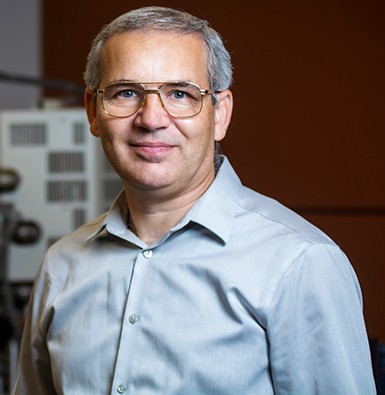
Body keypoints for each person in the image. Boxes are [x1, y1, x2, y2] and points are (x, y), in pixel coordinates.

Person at [14, 6, 376, 395]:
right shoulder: (61, 265)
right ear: (93, 111)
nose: (151, 118)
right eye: (126, 92)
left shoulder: (300, 266)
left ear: (220, 114)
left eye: (180, 94)